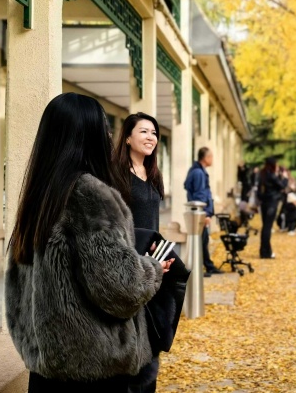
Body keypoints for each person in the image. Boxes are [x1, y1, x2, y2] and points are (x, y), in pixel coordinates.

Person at [5, 93, 171, 393]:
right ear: (88, 136)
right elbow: (122, 289)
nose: (110, 136)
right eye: (104, 128)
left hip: (46, 366)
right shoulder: (89, 195)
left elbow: (16, 291)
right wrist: (153, 269)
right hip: (93, 369)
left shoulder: (37, 197)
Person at [112, 113, 170, 393]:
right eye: (144, 131)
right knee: (129, 338)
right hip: (129, 267)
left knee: (152, 337)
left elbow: (153, 223)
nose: (151, 137)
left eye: (154, 133)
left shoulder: (153, 173)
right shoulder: (116, 176)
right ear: (127, 138)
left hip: (155, 265)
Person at [184, 147, 222, 276]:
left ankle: (208, 266)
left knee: (203, 240)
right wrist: (205, 213)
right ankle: (198, 269)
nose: (212, 159)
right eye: (211, 156)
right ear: (205, 158)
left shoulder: (196, 171)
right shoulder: (199, 173)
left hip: (198, 212)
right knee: (200, 241)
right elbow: (200, 195)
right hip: (200, 212)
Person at [257, 157, 288, 258]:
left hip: (264, 203)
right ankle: (266, 252)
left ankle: (264, 250)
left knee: (265, 227)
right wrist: (285, 177)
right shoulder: (271, 176)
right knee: (267, 228)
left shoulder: (262, 174)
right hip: (272, 203)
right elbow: (282, 186)